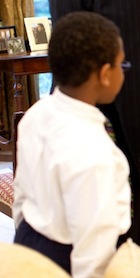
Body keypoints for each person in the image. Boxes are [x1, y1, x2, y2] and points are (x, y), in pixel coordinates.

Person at [50, 0, 140, 262]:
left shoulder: (40, 118)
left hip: (72, 121)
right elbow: (134, 68)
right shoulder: (103, 147)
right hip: (122, 138)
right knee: (131, 253)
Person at [12, 11, 131, 277]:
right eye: (122, 65)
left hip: (29, 241)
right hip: (66, 260)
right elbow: (93, 252)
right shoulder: (96, 151)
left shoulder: (35, 115)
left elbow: (21, 198)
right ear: (104, 74)